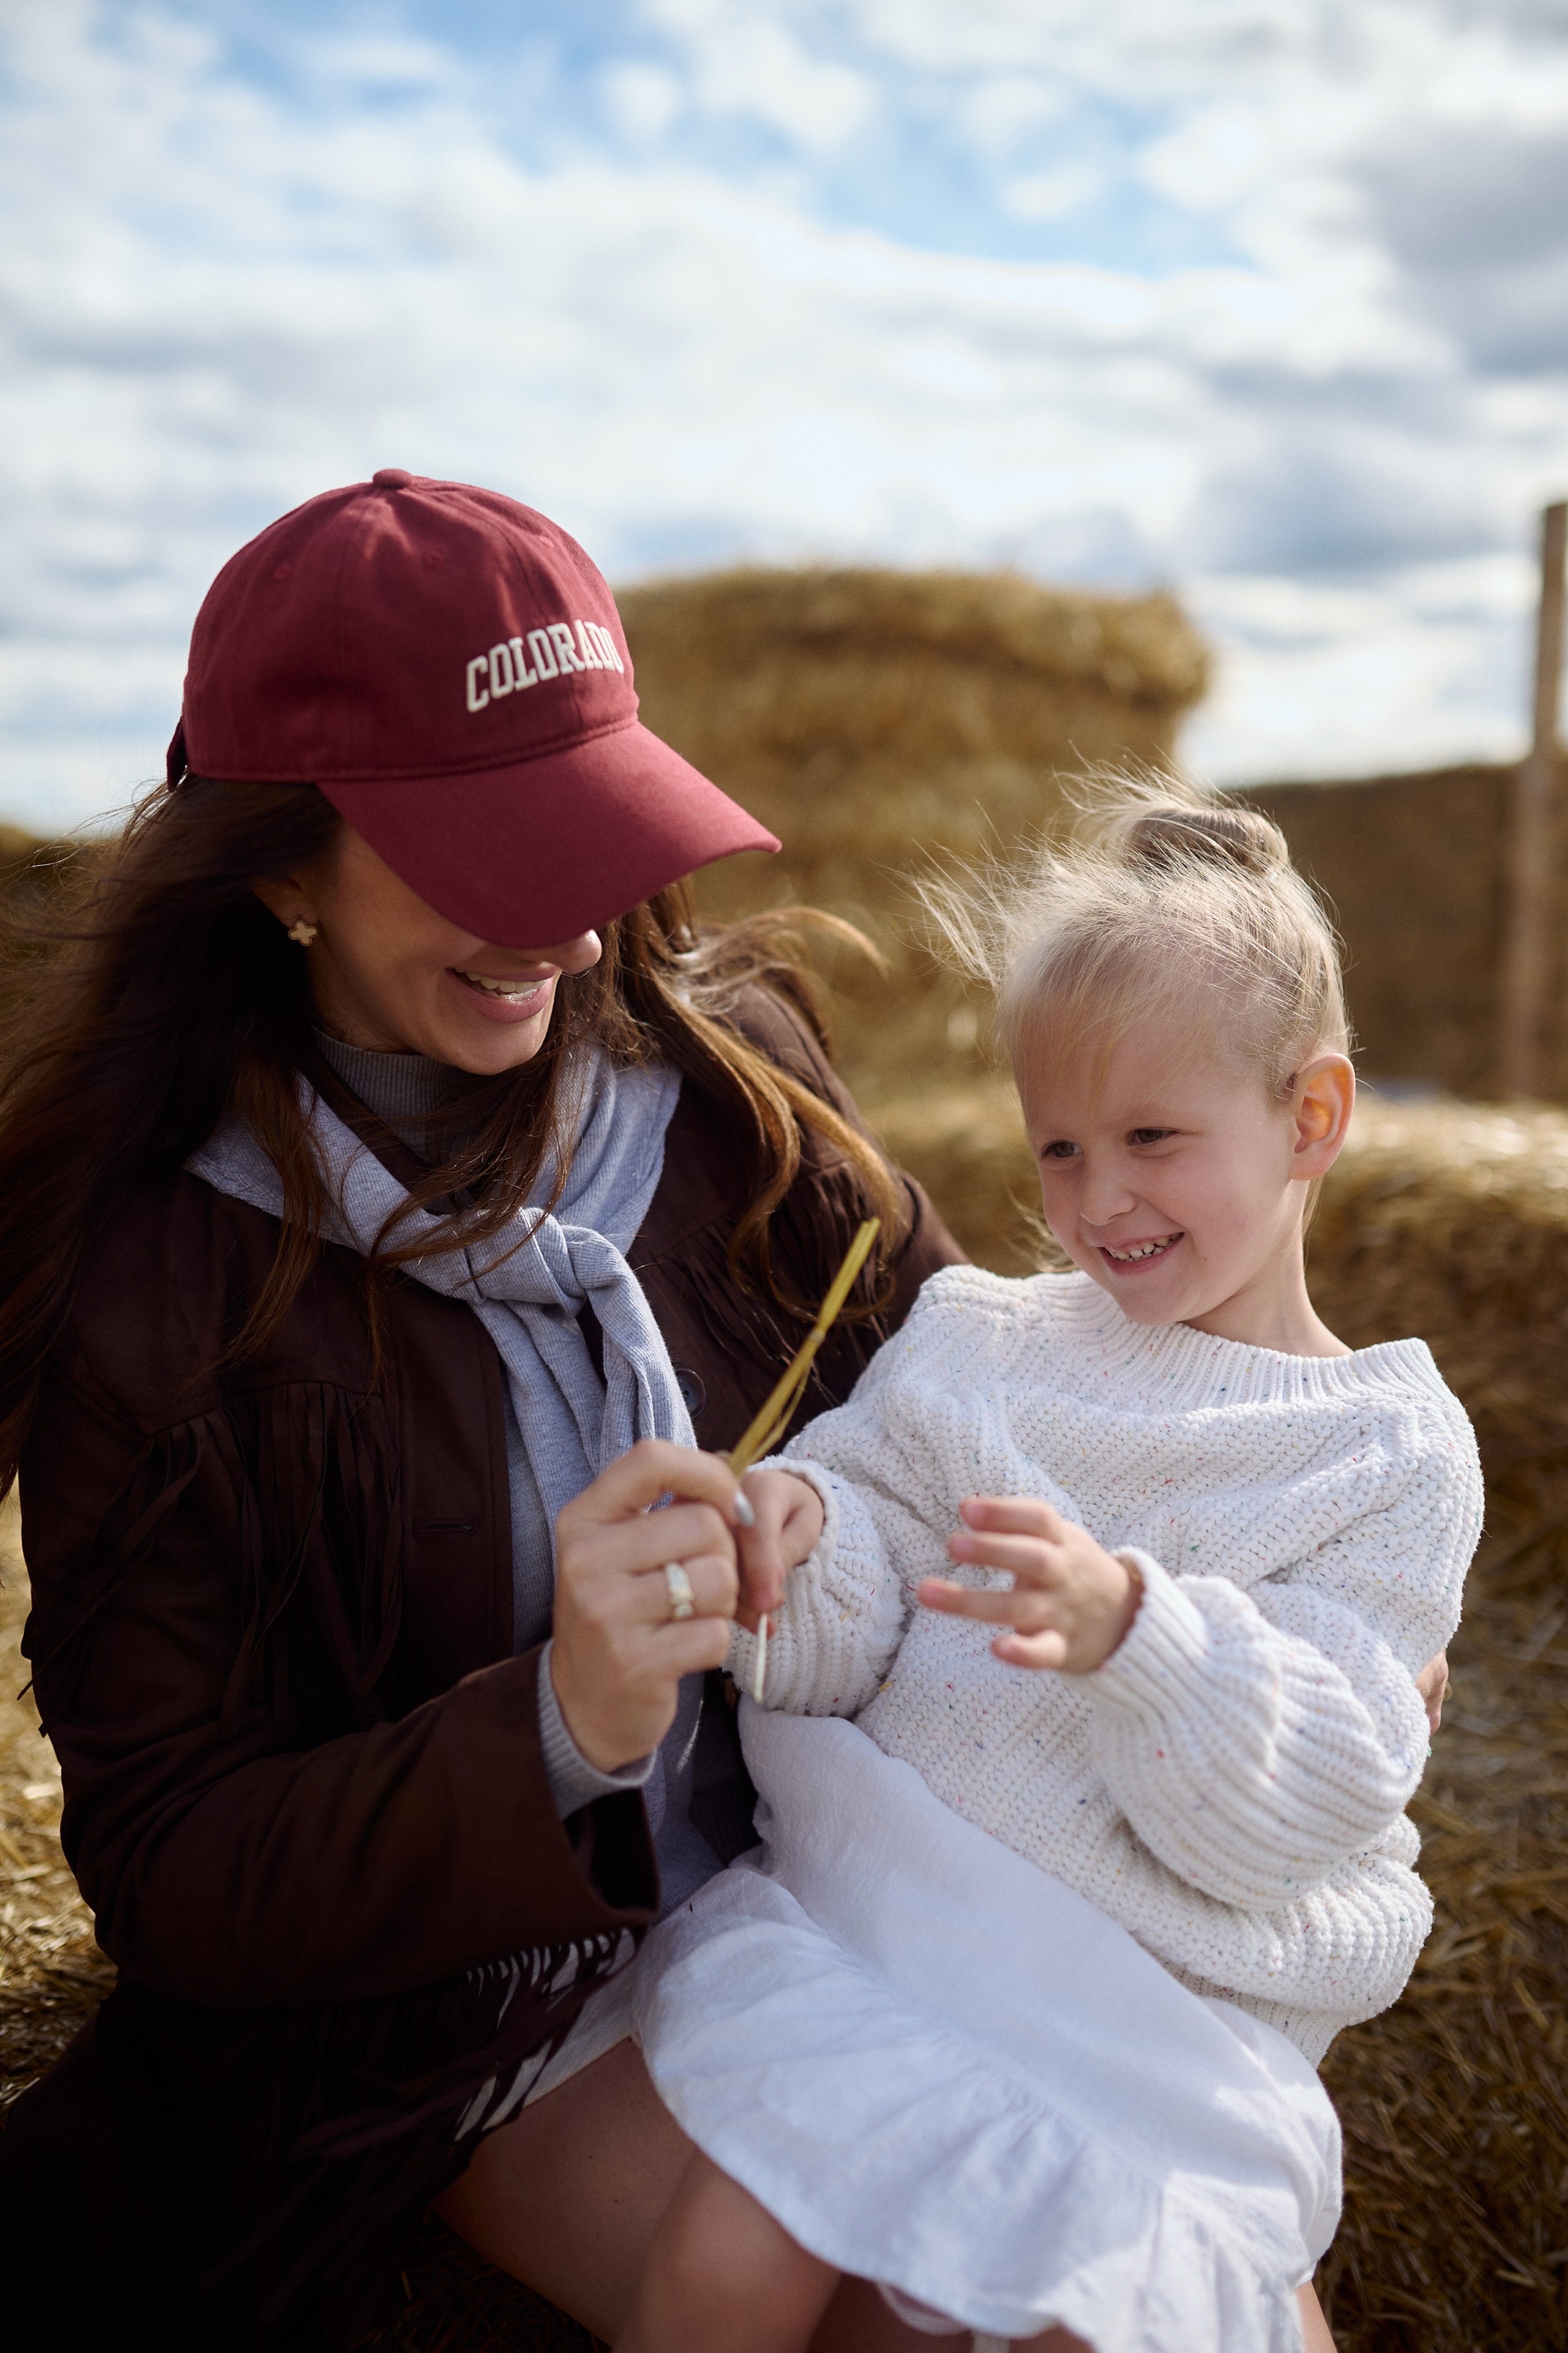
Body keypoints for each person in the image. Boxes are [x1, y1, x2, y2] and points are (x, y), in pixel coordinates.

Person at [0, 471, 967, 2349]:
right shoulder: (156, 1291)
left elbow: (975, 1390)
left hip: (858, 1871)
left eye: (584, 835)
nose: (576, 934)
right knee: (926, 2315)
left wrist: (1251, 1577)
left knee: (1163, 2277)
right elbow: (179, 1875)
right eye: (484, 853)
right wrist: (553, 1726)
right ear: (278, 864)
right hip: (492, 2000)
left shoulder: (739, 1069)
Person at [621, 784, 1481, 2353]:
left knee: (1086, 2328)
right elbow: (873, 1572)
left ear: (1310, 1116)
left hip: (1142, 2016)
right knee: (720, 2265)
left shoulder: (1385, 1454)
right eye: (1060, 1148)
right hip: (892, 1922)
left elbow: (1333, 1775)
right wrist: (789, 1555)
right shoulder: (980, 1342)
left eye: (1153, 1138)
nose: (1095, 1203)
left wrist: (1140, 1633)